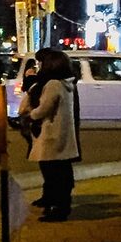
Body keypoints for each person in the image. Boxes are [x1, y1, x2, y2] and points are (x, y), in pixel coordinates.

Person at [18, 48, 81, 222]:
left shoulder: (53, 84)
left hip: (51, 133)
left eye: (41, 63)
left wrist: (31, 115)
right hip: (61, 133)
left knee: (55, 173)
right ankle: (57, 204)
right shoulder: (66, 83)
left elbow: (44, 108)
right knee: (60, 172)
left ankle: (58, 208)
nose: (39, 66)